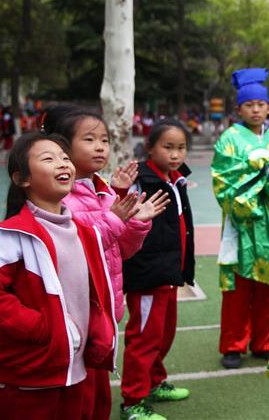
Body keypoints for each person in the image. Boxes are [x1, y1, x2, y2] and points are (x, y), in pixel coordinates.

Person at [0, 133, 116, 420]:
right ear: (21, 179)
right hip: (26, 378)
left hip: (74, 371)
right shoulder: (14, 234)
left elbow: (91, 295)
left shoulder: (84, 232)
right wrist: (41, 328)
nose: (62, 163)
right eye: (48, 159)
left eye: (65, 157)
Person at [40, 106, 168, 420]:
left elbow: (123, 250)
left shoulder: (103, 189)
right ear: (63, 147)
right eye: (90, 139)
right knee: (74, 394)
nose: (101, 147)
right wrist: (114, 219)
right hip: (75, 314)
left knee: (98, 397)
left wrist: (137, 222)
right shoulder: (60, 196)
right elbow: (76, 248)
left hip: (104, 310)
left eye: (105, 140)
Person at [212, 69, 269, 370]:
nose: (256, 109)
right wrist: (258, 174)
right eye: (249, 105)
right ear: (239, 110)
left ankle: (263, 342)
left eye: (261, 104)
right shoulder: (229, 139)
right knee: (238, 285)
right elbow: (223, 179)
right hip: (240, 223)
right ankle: (233, 345)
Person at [120, 120, 195, 420]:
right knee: (143, 338)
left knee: (163, 335)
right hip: (147, 275)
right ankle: (132, 402)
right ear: (150, 147)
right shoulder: (140, 180)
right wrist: (119, 189)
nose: (175, 154)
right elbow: (119, 213)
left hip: (169, 275)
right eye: (168, 147)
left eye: (181, 148)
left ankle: (153, 381)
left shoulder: (176, 178)